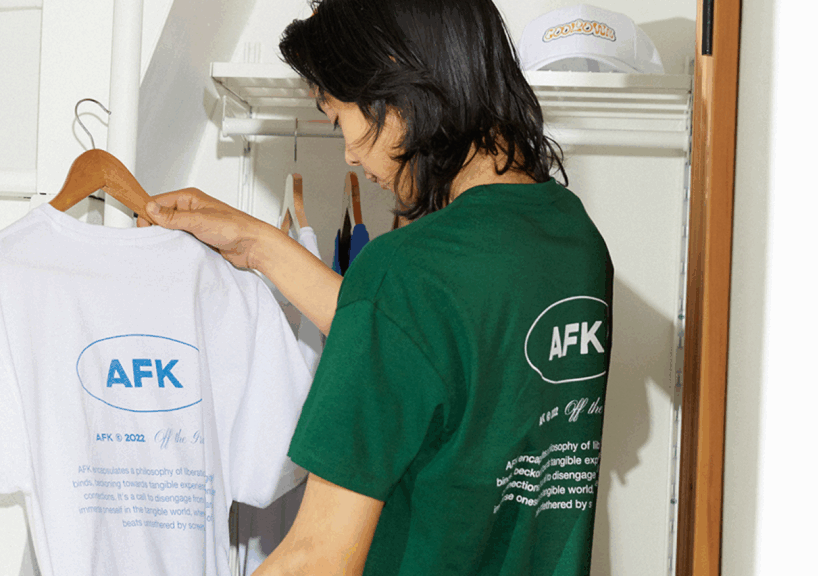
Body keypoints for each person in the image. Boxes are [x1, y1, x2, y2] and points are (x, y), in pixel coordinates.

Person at [141, 0, 613, 574]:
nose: (349, 153)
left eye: (340, 118)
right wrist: (255, 243)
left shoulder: (405, 272)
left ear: (395, 87)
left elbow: (317, 558)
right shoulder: (573, 239)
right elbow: (428, 355)